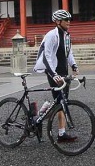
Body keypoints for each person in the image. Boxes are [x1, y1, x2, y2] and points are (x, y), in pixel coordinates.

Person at [33, 9, 79, 142]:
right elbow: (46, 57)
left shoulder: (66, 35)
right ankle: (58, 130)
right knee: (60, 101)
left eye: (70, 20)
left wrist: (74, 65)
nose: (69, 22)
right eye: (66, 20)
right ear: (58, 21)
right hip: (52, 71)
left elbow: (68, 53)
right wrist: (53, 74)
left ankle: (56, 128)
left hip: (63, 71)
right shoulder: (51, 35)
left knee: (61, 102)